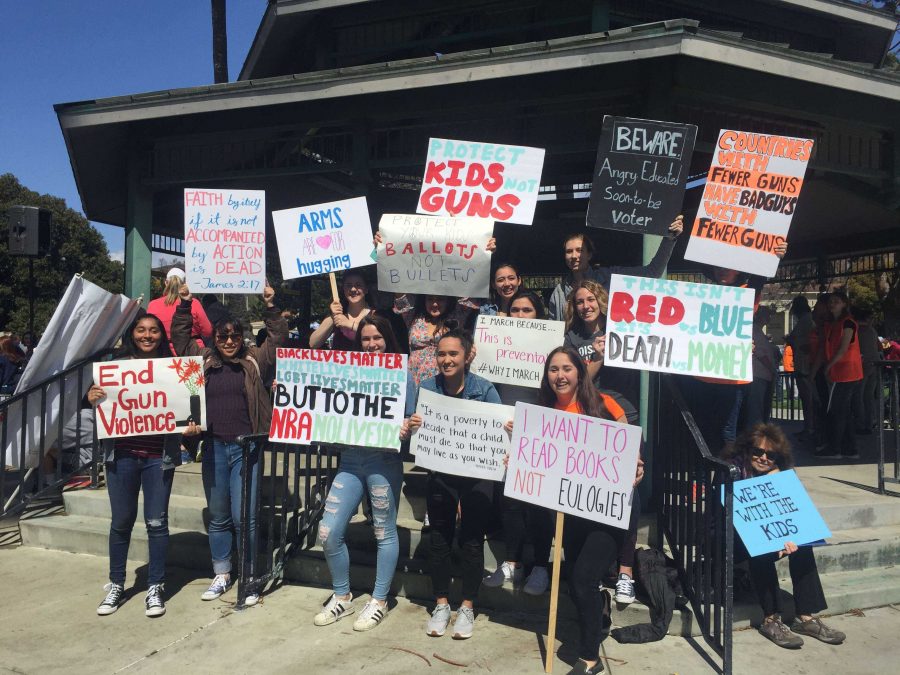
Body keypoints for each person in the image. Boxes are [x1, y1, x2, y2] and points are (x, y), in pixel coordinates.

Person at [172, 283, 287, 606]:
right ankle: (222, 573)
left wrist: (270, 306)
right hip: (213, 448)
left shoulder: (254, 361)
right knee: (219, 515)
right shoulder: (203, 361)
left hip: (246, 450)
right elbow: (180, 341)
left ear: (242, 337)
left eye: (234, 335)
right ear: (214, 339)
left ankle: (248, 576)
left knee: (244, 516)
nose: (229, 341)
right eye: (222, 336)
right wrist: (184, 305)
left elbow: (277, 339)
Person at [534, 346, 643, 675]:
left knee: (581, 581)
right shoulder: (544, 411)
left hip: (606, 514)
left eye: (566, 368)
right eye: (553, 369)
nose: (560, 376)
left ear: (580, 373)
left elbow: (631, 453)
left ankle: (590, 658)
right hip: (570, 514)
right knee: (580, 583)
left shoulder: (604, 405)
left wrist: (638, 466)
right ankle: (601, 611)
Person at [87, 313, 196, 617]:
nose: (147, 336)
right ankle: (117, 583)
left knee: (157, 524)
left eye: (153, 331)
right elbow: (95, 403)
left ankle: (155, 586)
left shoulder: (173, 370)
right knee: (121, 522)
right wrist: (90, 396)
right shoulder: (115, 367)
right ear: (132, 334)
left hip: (157, 460)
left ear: (161, 336)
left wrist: (191, 426)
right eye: (141, 330)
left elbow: (188, 407)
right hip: (121, 457)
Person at [404, 329, 501, 640]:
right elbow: (415, 429)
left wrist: (506, 428)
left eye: (453, 354)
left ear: (466, 356)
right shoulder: (427, 388)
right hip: (441, 475)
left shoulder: (484, 390)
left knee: (472, 540)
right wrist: (412, 425)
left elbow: (498, 433)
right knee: (440, 539)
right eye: (441, 354)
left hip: (477, 476)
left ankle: (468, 606)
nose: (446, 360)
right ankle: (442, 603)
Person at [313, 315, 405, 631]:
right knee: (328, 531)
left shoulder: (401, 373)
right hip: (350, 462)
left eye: (377, 337)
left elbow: (412, 414)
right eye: (366, 339)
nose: (371, 344)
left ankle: (379, 600)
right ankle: (342, 595)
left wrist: (408, 425)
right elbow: (319, 399)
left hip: (384, 461)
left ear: (387, 339)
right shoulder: (345, 372)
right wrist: (289, 389)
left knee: (384, 530)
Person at [725, 424, 845, 649]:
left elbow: (794, 514)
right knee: (762, 549)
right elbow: (730, 520)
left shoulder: (782, 475)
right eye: (758, 452)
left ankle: (805, 617)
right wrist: (770, 541)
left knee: (803, 544)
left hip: (766, 537)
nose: (763, 458)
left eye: (770, 455)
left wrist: (789, 538)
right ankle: (771, 619)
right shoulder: (731, 471)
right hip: (729, 539)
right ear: (747, 449)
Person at [482, 288, 555, 594]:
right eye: (515, 310)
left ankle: (540, 565)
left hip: (539, 430)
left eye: (527, 310)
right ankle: (512, 561)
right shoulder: (496, 339)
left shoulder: (552, 345)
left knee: (538, 502)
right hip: (506, 429)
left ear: (539, 314)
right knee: (509, 501)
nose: (521, 316)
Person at [547, 216, 684, 321]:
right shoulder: (558, 294)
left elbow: (653, 272)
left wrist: (670, 239)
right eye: (569, 251)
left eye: (580, 250)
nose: (574, 256)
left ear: (589, 255)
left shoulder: (609, 277)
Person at [810, 290, 863, 459]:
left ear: (844, 304)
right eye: (831, 301)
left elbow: (843, 347)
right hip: (837, 372)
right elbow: (822, 350)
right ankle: (850, 448)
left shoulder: (848, 323)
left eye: (837, 301)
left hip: (848, 372)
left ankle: (836, 448)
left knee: (838, 410)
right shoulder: (830, 325)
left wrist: (828, 366)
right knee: (843, 411)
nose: (833, 304)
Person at [147, 268, 213, 354]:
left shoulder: (153, 305)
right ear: (184, 284)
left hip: (164, 352)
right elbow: (208, 331)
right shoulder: (193, 303)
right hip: (193, 352)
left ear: (166, 283)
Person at [309, 270, 374, 350]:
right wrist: (333, 316)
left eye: (358, 285)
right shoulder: (337, 315)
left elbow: (378, 338)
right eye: (348, 285)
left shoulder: (376, 315)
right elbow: (313, 343)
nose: (353, 289)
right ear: (343, 289)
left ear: (366, 289)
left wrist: (349, 324)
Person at [785, 296, 815, 438]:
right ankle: (808, 426)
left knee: (808, 399)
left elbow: (800, 339)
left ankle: (810, 427)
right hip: (802, 363)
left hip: (805, 365)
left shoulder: (806, 321)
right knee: (806, 398)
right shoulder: (806, 320)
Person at [852, 307, 880, 434]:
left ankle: (861, 423)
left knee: (859, 396)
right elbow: (878, 346)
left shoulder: (856, 330)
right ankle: (870, 422)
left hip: (862, 366)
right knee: (868, 396)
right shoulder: (872, 330)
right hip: (874, 364)